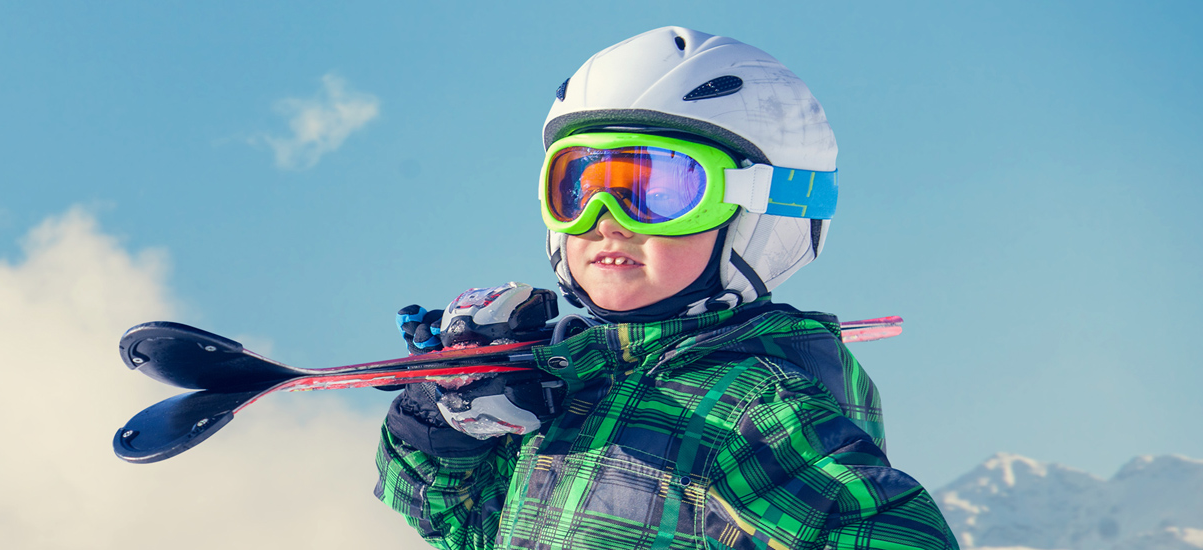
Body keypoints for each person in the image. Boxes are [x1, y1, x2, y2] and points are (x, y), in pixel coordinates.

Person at [374, 27, 958, 550]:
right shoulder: (582, 387)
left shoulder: (753, 408)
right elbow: (473, 528)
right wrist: (441, 423)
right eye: (579, 188)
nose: (607, 220)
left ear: (760, 212)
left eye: (660, 192)